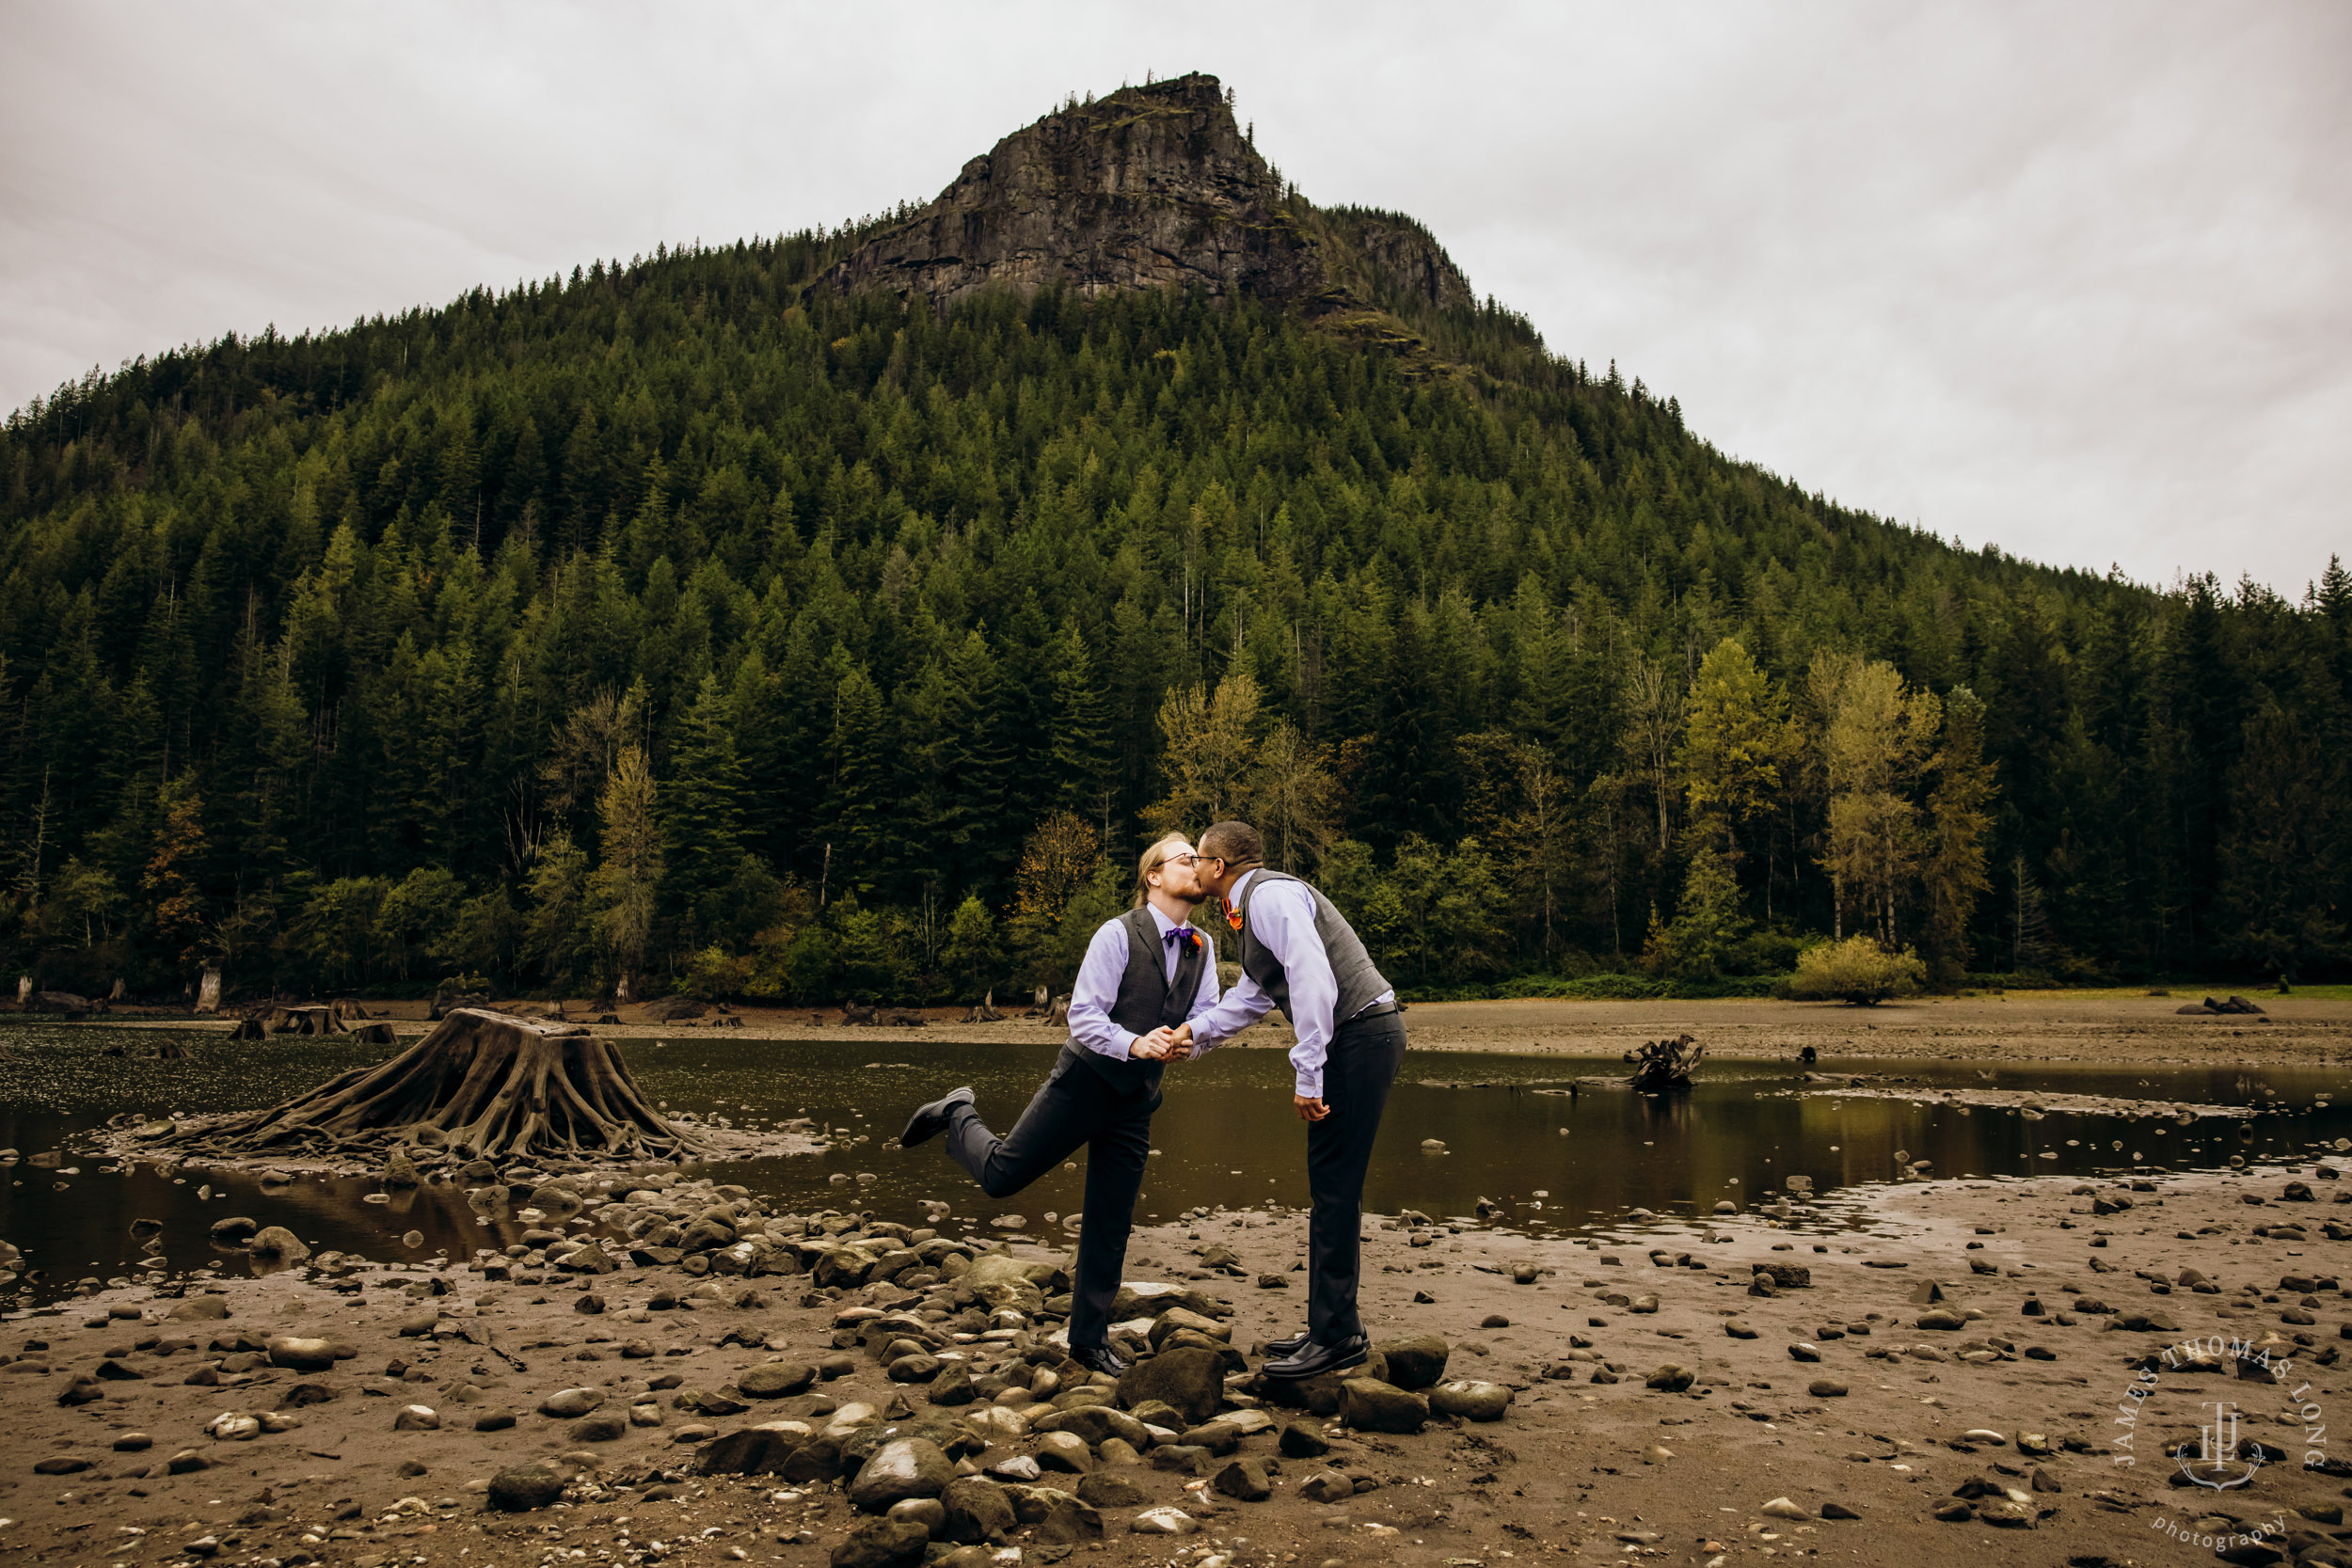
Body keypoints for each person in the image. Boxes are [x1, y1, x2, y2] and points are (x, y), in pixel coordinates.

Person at [899, 833, 1218, 1377]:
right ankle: (957, 1111)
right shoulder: (1117, 934)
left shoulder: (1203, 946)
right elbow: (1085, 1016)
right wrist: (1136, 1043)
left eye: (1198, 858)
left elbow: (1208, 1012)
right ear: (1154, 876)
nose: (1197, 865)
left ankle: (1087, 1342)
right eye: (1185, 858)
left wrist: (1193, 1041)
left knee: (1110, 1221)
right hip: (1084, 1081)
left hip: (1137, 1099)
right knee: (1001, 1177)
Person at [1175, 819, 1404, 1380]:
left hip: (1358, 1035)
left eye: (1198, 859)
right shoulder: (1254, 909)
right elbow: (1251, 997)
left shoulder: (1271, 897)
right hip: (1355, 1036)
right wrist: (1194, 1033)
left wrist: (1309, 1073)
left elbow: (1314, 983)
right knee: (1330, 1184)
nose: (1195, 868)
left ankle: (1338, 1336)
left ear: (1218, 867)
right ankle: (1330, 1324)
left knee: (1333, 1185)